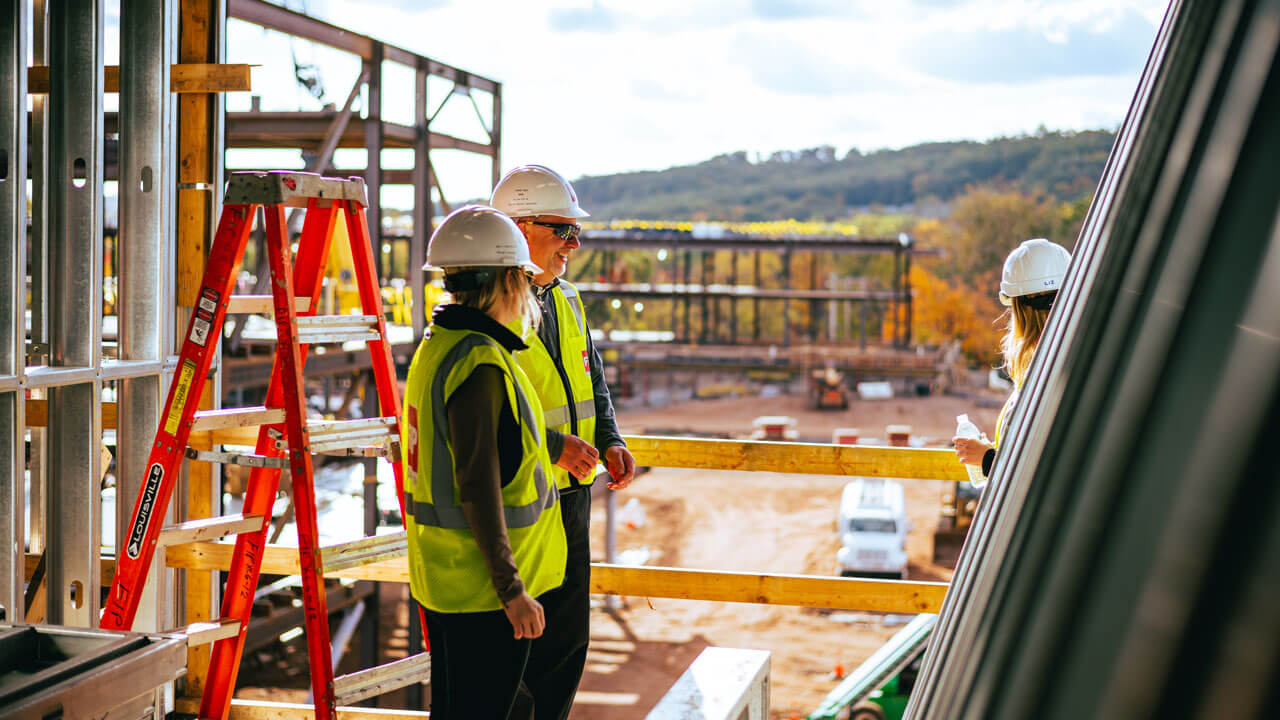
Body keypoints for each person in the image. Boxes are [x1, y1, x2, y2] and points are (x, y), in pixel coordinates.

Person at [402, 205, 567, 719]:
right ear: (504, 282)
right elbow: (477, 484)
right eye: (520, 276)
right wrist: (512, 590)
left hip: (447, 579)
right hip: (484, 593)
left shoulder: (439, 346)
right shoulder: (481, 363)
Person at [490, 164, 637, 720]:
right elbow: (487, 410)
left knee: (567, 643)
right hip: (523, 503)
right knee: (519, 653)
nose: (573, 244)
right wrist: (553, 447)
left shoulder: (567, 300)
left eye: (576, 231)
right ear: (518, 226)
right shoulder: (492, 308)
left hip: (572, 497)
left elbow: (591, 380)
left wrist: (611, 437)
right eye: (562, 230)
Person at [953, 238, 1072, 479]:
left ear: (1021, 311)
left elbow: (1047, 469)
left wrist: (987, 459)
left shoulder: (1054, 373)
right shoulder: (1062, 362)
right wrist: (996, 452)